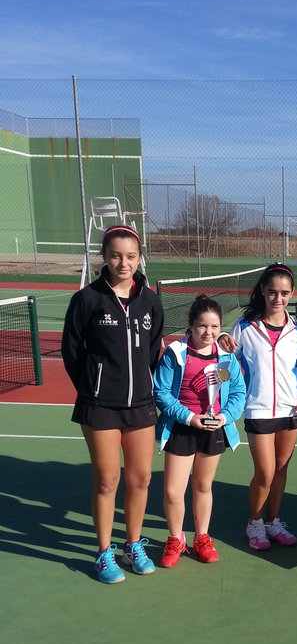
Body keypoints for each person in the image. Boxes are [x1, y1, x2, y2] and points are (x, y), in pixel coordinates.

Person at [61, 225, 164, 583]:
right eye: (116, 255)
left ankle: (133, 545)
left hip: (141, 405)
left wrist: (142, 384)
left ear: (139, 258)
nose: (124, 263)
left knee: (141, 479)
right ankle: (104, 552)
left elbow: (153, 349)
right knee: (107, 480)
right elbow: (71, 351)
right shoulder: (87, 299)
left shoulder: (150, 301)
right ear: (104, 256)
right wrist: (93, 387)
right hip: (99, 405)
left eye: (131, 256)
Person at [153, 295, 246, 567]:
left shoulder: (226, 358)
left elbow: (237, 393)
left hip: (213, 429)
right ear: (191, 325)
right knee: (173, 491)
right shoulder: (175, 354)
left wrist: (224, 417)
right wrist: (189, 417)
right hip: (182, 428)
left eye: (214, 326)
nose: (208, 332)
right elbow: (161, 392)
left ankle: (202, 538)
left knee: (203, 486)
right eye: (202, 326)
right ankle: (175, 539)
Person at [229, 264, 297, 551]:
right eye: (273, 292)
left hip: (290, 410)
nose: (278, 298)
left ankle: (273, 521)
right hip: (258, 409)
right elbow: (227, 364)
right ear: (263, 291)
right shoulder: (244, 327)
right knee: (264, 472)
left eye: (284, 293)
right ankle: (254, 522)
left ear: (292, 294)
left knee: (280, 470)